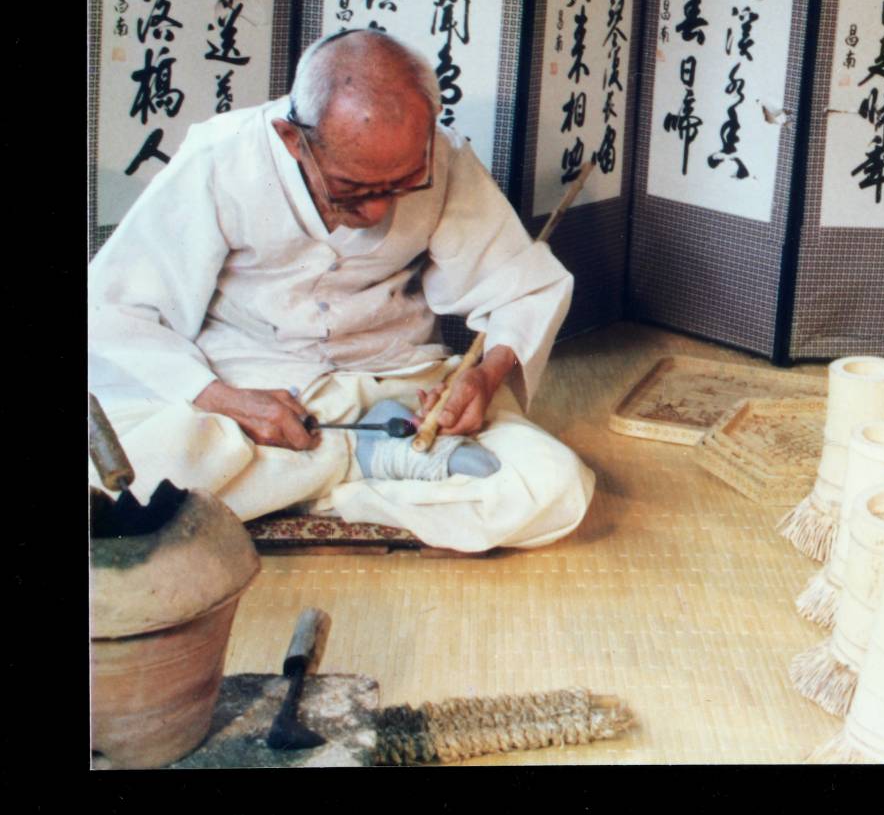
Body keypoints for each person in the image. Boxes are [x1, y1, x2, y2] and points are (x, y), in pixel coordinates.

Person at [89, 28, 594, 551]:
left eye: (401, 186)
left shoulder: (444, 159)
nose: (378, 211)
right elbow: (117, 308)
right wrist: (223, 399)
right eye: (352, 189)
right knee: (120, 479)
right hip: (248, 393)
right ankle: (366, 466)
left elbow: (519, 286)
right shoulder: (221, 156)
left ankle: (311, 477)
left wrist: (485, 378)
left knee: (556, 488)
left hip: (398, 390)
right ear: (293, 139)